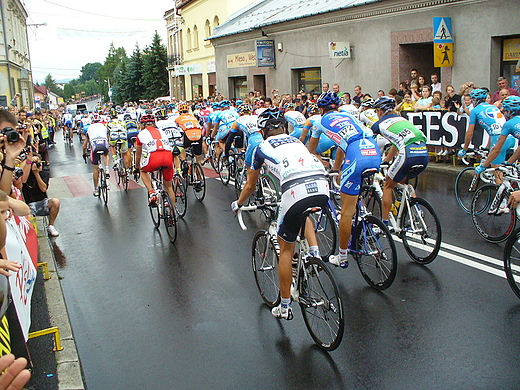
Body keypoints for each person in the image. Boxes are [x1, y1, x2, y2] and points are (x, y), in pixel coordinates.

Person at [232, 108, 328, 320]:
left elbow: (250, 185)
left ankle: (284, 307)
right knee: (305, 213)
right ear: (284, 127)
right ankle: (314, 255)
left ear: (263, 131)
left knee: (285, 249)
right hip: (322, 185)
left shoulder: (260, 147)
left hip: (294, 190)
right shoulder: (296, 141)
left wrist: (238, 203)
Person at [308, 92, 381, 267]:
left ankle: (342, 256)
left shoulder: (318, 121)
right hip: (372, 150)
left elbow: (310, 151)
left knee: (346, 213)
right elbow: (342, 146)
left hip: (356, 154)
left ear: (321, 109)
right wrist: (336, 169)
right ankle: (364, 214)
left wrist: (324, 165)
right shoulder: (348, 116)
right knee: (353, 191)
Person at [372, 96, 429, 227]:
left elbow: (368, 143)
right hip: (423, 153)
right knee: (403, 182)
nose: (377, 114)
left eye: (377, 111)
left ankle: (384, 224)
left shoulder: (379, 124)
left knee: (388, 185)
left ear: (381, 111)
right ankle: (416, 212)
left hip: (408, 154)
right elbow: (395, 144)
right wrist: (387, 160)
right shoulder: (402, 119)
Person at [458, 89, 513, 194]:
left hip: (499, 140)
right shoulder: (492, 106)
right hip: (510, 138)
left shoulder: (475, 111)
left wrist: (465, 149)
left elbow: (470, 133)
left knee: (496, 169)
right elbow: (491, 130)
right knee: (507, 168)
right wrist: (487, 148)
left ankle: (503, 202)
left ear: (474, 100)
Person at [476, 96, 520, 213]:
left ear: (509, 111)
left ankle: (504, 204)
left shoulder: (509, 124)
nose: (503, 113)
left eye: (504, 111)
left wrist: (484, 165)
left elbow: (496, 149)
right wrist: (508, 163)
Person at [135, 113, 176, 206]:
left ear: (142, 125)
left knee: (142, 170)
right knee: (169, 187)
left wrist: (137, 166)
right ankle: (173, 214)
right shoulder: (162, 131)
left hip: (154, 157)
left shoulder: (140, 134)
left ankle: (151, 192)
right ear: (154, 124)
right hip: (168, 156)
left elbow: (138, 155)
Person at [21, 152, 61, 236]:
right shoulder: (26, 173)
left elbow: (43, 189)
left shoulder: (44, 172)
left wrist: (36, 174)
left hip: (42, 201)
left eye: (39, 162)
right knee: (29, 215)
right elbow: (23, 180)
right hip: (28, 204)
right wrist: (28, 163)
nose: (37, 165)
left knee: (55, 202)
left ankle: (51, 225)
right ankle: (33, 234)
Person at [82, 113, 110, 197]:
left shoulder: (89, 128)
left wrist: (84, 153)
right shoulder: (104, 127)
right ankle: (107, 169)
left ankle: (96, 188)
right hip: (104, 143)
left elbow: (85, 144)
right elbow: (108, 138)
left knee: (95, 169)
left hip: (94, 146)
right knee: (106, 154)